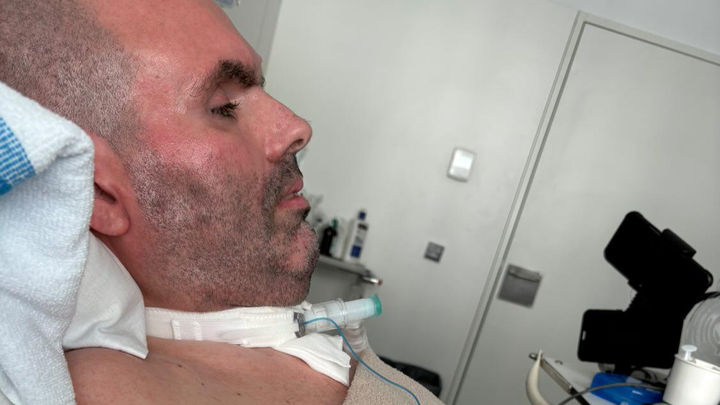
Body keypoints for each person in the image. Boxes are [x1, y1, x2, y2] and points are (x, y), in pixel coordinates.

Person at [1, 1, 445, 404]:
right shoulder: (115, 388)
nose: (296, 127)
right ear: (99, 191)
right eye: (224, 106)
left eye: (261, 89)